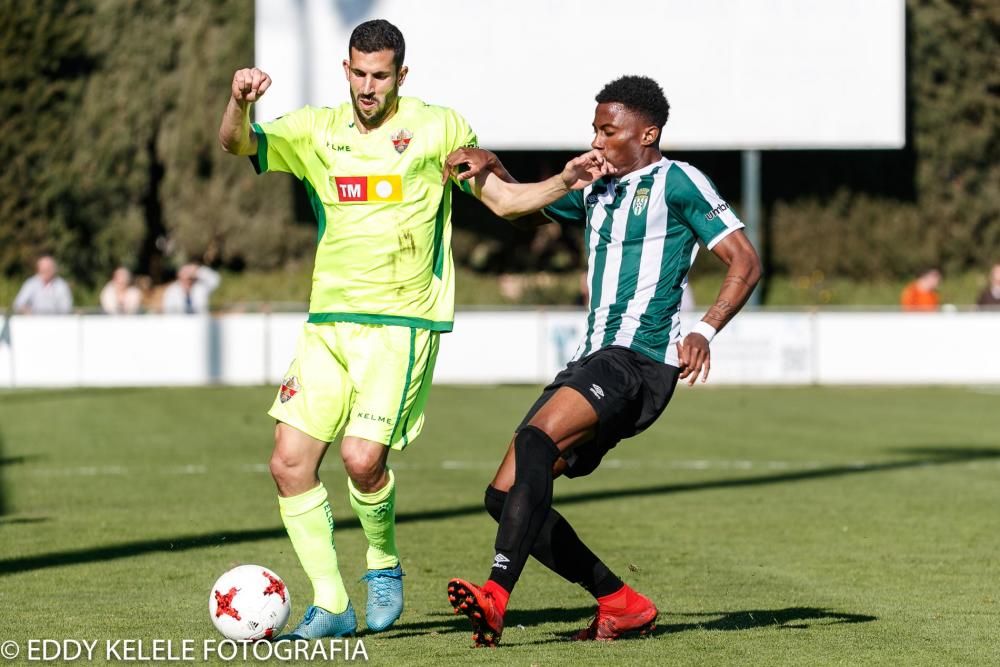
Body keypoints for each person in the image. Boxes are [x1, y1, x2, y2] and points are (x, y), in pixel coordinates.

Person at [216, 19, 609, 639]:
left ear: (402, 74)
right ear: (344, 70)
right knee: (288, 465)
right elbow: (237, 145)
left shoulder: (438, 127)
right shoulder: (316, 129)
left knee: (360, 460)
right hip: (327, 324)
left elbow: (502, 202)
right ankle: (331, 603)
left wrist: (564, 180)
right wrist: (240, 103)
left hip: (401, 324)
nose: (368, 87)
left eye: (381, 76)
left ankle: (383, 564)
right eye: (359, 74)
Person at [441, 75, 762, 647]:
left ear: (648, 132)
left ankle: (496, 594)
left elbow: (744, 261)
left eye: (608, 131)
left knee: (536, 443)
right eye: (593, 129)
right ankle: (622, 600)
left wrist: (705, 329)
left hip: (637, 360)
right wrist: (492, 167)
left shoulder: (677, 180)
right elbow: (522, 206)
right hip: (594, 359)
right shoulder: (595, 187)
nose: (597, 141)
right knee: (505, 495)